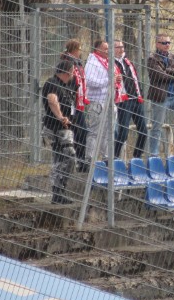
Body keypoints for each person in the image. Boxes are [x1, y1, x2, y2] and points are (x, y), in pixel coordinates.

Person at [84, 40, 125, 164]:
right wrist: (109, 80)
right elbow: (90, 81)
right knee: (95, 131)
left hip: (109, 101)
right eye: (106, 49)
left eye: (109, 49)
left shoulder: (108, 62)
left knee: (109, 131)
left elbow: (112, 80)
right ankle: (90, 159)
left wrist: (116, 80)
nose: (109, 51)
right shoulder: (92, 63)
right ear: (97, 50)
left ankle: (107, 157)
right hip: (97, 101)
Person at [42, 59, 77, 204]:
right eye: (73, 70)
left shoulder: (65, 85)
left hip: (65, 130)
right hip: (56, 129)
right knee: (67, 158)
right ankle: (58, 192)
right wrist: (61, 117)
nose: (74, 73)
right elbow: (52, 100)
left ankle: (59, 192)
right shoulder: (52, 83)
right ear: (67, 71)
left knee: (63, 159)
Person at [113, 40, 147, 159]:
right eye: (117, 47)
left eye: (122, 46)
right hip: (124, 101)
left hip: (136, 99)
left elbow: (135, 78)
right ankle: (114, 157)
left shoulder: (128, 62)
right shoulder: (110, 63)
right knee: (123, 134)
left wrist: (140, 94)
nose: (121, 49)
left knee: (143, 131)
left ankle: (136, 158)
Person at [60, 39, 90, 171]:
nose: (80, 52)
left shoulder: (78, 63)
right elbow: (67, 81)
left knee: (81, 132)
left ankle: (81, 161)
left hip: (79, 103)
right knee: (78, 132)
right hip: (71, 104)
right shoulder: (67, 63)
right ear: (73, 50)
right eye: (79, 49)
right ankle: (76, 161)